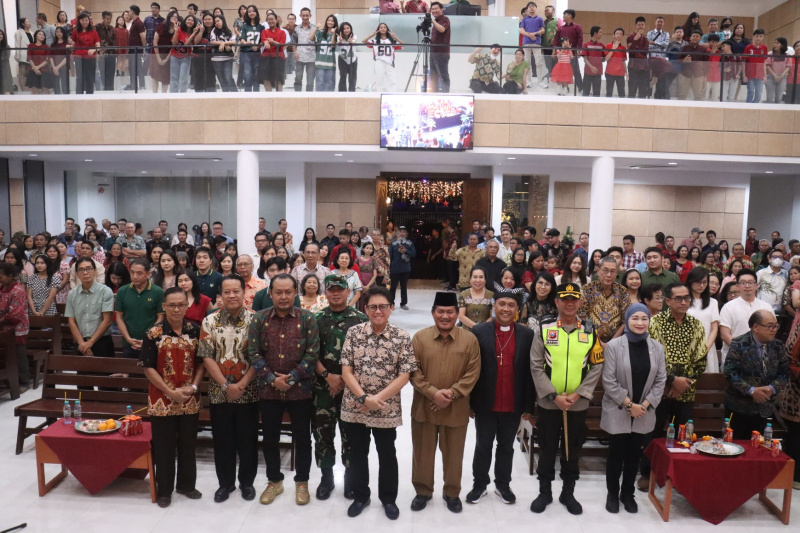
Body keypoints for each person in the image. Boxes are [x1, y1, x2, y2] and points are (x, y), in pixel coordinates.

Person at [339, 286, 417, 520]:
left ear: (391, 308)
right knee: (358, 453)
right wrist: (364, 398)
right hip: (356, 406)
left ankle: (388, 499)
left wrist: (376, 400)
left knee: (387, 454)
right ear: (365, 309)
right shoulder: (354, 333)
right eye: (373, 307)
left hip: (386, 409)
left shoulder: (401, 337)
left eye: (383, 306)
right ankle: (361, 496)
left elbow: (405, 375)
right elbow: (346, 370)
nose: (378, 311)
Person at [530, 282, 603, 515]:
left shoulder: (590, 330)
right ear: (557, 302)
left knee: (572, 449)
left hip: (577, 403)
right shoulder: (545, 328)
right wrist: (553, 395)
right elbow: (535, 365)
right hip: (549, 402)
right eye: (565, 299)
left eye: (574, 299)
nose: (570, 303)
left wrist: (579, 393)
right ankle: (544, 492)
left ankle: (568, 492)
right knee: (548, 446)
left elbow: (596, 366)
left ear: (580, 302)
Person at [247, 274, 318, 506]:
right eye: (279, 292)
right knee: (269, 438)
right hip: (269, 391)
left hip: (301, 390)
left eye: (288, 292)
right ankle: (274, 481)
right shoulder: (259, 319)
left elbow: (312, 353)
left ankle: (302, 482)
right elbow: (254, 353)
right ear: (270, 293)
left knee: (302, 438)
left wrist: (293, 377)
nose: (284, 296)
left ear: (295, 292)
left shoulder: (308, 318)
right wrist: (271, 379)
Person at [410, 291, 480, 513]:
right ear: (433, 313)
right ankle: (423, 491)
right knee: (422, 452)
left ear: (457, 313)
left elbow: (472, 373)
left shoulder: (470, 340)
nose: (445, 316)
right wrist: (433, 393)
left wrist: (451, 394)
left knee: (454, 453)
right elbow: (413, 371)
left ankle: (452, 492)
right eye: (440, 311)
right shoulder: (420, 339)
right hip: (424, 407)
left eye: (450, 312)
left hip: (456, 409)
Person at [467, 288, 534, 506]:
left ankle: (503, 485)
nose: (506, 309)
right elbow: (471, 370)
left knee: (506, 447)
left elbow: (529, 372)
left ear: (517, 309)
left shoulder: (526, 334)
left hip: (512, 403)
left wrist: (528, 405)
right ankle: (479, 485)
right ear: (494, 306)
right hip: (485, 402)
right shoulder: (479, 331)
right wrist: (469, 402)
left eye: (511, 305)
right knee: (483, 445)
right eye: (502, 304)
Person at [638, 282, 707, 492]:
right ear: (668, 301)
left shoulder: (696, 325)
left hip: (686, 390)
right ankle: (646, 473)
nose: (684, 301)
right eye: (679, 298)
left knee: (682, 435)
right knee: (652, 432)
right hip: (658, 391)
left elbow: (701, 359)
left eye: (687, 298)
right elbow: (652, 357)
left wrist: (682, 383)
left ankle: (677, 476)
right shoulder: (655, 323)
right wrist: (671, 380)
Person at [140, 286, 204, 508]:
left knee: (188, 444)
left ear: (187, 306)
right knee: (164, 446)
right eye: (171, 305)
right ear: (164, 307)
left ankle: (186, 485)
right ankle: (165, 490)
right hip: (161, 399)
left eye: (181, 304)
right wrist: (170, 392)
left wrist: (194, 387)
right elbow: (148, 368)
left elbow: (201, 364)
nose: (176, 309)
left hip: (189, 398)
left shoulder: (196, 331)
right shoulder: (153, 334)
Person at [199, 274, 259, 503]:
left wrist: (242, 384)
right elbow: (206, 357)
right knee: (222, 441)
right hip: (219, 392)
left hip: (248, 391)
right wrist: (226, 385)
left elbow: (259, 358)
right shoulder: (209, 321)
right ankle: (225, 484)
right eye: (227, 292)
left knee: (248, 440)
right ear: (220, 296)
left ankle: (247, 483)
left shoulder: (256, 320)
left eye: (236, 291)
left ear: (244, 293)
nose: (232, 295)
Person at [601, 303, 666, 513]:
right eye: (635, 318)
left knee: (634, 455)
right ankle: (612, 493)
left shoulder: (657, 347)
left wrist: (644, 405)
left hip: (643, 412)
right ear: (627, 320)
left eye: (644, 319)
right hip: (619, 409)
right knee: (616, 453)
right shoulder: (614, 346)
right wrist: (630, 404)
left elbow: (660, 381)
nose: (640, 323)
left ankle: (627, 493)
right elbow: (609, 381)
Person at [312, 274, 367, 500]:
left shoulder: (360, 319)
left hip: (351, 389)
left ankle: (350, 479)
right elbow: (309, 353)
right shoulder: (315, 319)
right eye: (331, 289)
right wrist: (327, 376)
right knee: (323, 434)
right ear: (325, 293)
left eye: (340, 289)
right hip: (322, 387)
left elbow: (365, 356)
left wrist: (344, 379)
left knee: (350, 435)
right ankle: (326, 479)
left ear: (348, 292)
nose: (336, 293)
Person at [723, 309, 790, 439]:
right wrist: (752, 391)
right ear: (756, 327)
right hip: (739, 406)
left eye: (776, 326)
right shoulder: (739, 343)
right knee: (737, 446)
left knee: (760, 449)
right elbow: (730, 373)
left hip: (766, 407)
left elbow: (784, 373)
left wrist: (772, 389)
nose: (774, 329)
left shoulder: (778, 345)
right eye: (770, 326)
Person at [720, 269, 774, 365]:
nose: (747, 286)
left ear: (756, 285)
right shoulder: (728, 307)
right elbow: (725, 335)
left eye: (750, 282)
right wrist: (744, 352)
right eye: (743, 283)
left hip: (761, 357)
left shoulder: (766, 307)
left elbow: (771, 332)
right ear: (737, 286)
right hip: (734, 358)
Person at [116, 259, 165, 359]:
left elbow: (161, 318)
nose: (135, 276)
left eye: (139, 273)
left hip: (151, 342)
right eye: (132, 272)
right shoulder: (122, 291)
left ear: (148, 274)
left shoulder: (158, 292)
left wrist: (148, 338)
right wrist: (128, 339)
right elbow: (119, 317)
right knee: (128, 372)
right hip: (128, 343)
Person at [580, 256, 631, 345]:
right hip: (589, 340)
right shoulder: (587, 290)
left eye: (612, 271)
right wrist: (595, 341)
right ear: (598, 270)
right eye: (605, 270)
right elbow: (582, 316)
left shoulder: (622, 291)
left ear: (617, 273)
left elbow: (625, 322)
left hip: (616, 343)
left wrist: (611, 343)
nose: (608, 275)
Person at [0, 263, 30, 386]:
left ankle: (23, 381)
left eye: (1, 277)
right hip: (3, 325)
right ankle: (8, 379)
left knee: (19, 354)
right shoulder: (2, 288)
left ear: (11, 276)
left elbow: (15, 314)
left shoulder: (18, 291)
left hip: (17, 327)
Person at [686, 267, 721, 373]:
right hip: (686, 348)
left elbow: (714, 328)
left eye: (704, 282)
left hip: (707, 347)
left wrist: (704, 349)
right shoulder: (683, 300)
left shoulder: (713, 302)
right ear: (691, 281)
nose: (701, 286)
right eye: (698, 282)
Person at [389, 226, 415, 310]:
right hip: (394, 268)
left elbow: (414, 254)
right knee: (392, 287)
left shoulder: (409, 243)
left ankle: (403, 303)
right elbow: (389, 256)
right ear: (397, 233)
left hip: (405, 268)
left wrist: (406, 251)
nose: (402, 233)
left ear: (406, 234)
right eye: (400, 231)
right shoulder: (393, 243)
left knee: (404, 286)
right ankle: (391, 303)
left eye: (404, 231)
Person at [757, 249, 789, 315]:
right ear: (770, 259)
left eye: (780, 257)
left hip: (779, 311)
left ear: (783, 260)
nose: (778, 259)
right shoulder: (761, 273)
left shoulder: (786, 274)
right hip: (762, 309)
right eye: (775, 257)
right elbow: (754, 289)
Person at [429, 2, 450, 93]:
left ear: (441, 9)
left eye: (436, 8)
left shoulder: (445, 19)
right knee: (433, 76)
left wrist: (432, 21)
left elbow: (442, 29)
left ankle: (446, 95)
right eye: (432, 9)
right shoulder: (436, 21)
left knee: (443, 75)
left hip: (442, 53)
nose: (434, 11)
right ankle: (434, 95)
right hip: (433, 52)